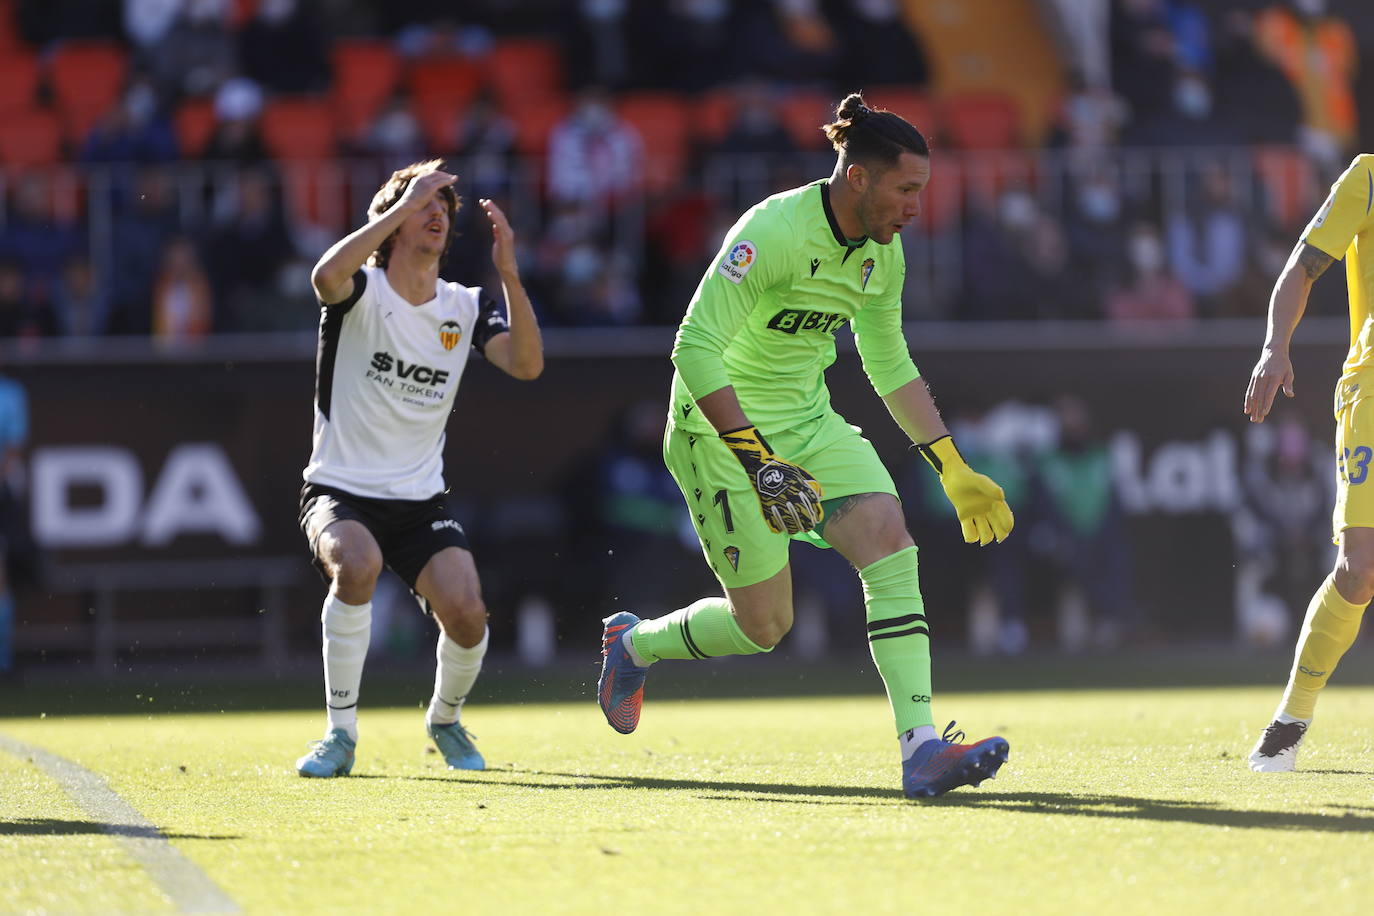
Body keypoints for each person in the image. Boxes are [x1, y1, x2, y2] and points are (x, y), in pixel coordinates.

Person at [596, 93, 1015, 799]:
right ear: (860, 178)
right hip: (716, 433)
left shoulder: (885, 257)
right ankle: (632, 646)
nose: (916, 208)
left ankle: (920, 749)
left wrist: (951, 466)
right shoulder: (774, 231)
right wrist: (759, 463)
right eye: (906, 189)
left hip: (810, 424)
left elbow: (890, 365)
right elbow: (693, 351)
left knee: (888, 534)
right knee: (763, 626)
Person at [294, 159, 543, 777]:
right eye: (422, 203)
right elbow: (324, 273)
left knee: (468, 611)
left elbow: (527, 366)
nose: (436, 213)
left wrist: (510, 275)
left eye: (444, 207)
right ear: (393, 221)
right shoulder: (360, 291)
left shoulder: (464, 306)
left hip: (418, 500)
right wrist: (399, 207)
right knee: (357, 566)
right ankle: (340, 735)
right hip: (339, 489)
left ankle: (445, 719)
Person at [1243, 152, 1374, 772]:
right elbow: (1302, 267)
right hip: (1372, 393)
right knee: (1360, 568)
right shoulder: (1367, 178)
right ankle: (1290, 720)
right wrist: (1275, 346)